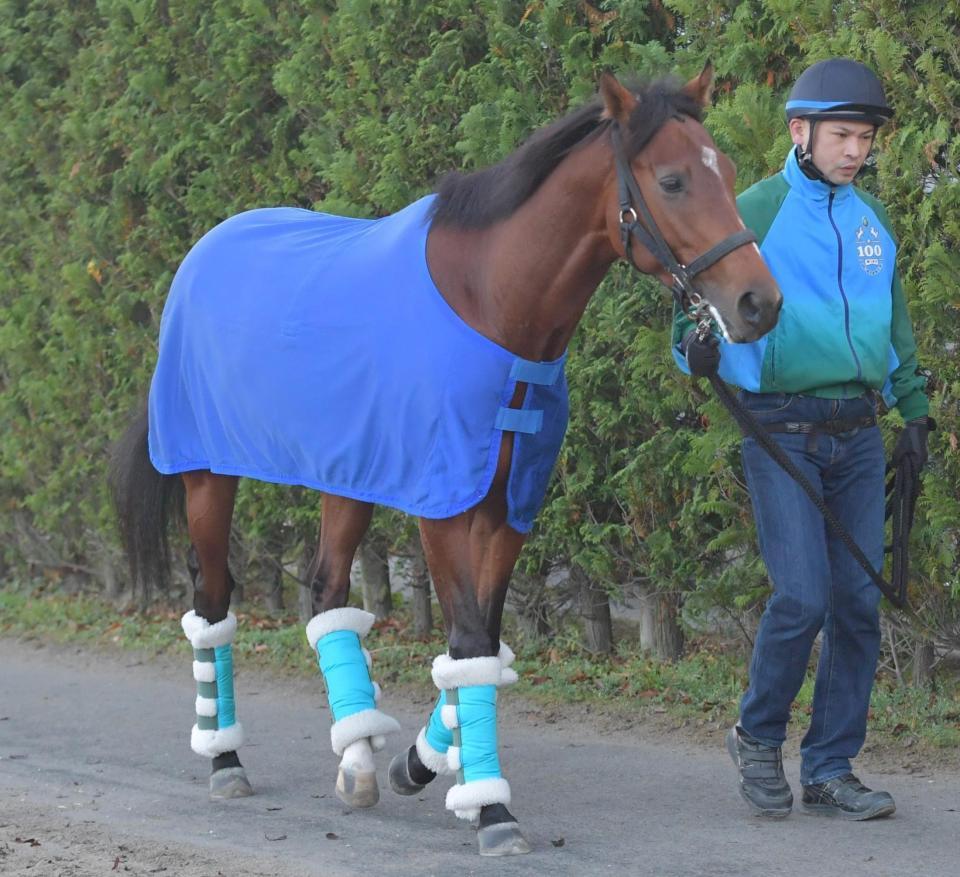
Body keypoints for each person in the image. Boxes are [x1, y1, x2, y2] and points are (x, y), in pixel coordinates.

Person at [673, 57, 930, 820]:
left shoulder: (872, 220)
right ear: (800, 132)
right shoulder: (754, 208)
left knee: (857, 603)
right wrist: (694, 349)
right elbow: (690, 319)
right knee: (802, 595)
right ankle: (756, 735)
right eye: (842, 134)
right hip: (782, 428)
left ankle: (829, 766)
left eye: (866, 137)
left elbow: (895, 326)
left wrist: (913, 412)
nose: (855, 150)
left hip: (859, 433)